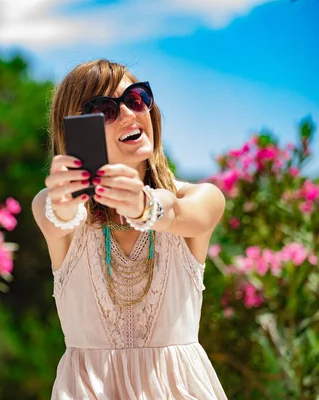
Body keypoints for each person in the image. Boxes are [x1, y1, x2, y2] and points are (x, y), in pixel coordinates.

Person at [31, 59, 228, 400]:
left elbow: (178, 212)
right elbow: (55, 217)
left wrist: (143, 206)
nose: (128, 114)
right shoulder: (54, 205)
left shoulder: (201, 197)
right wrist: (68, 199)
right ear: (78, 130)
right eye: (105, 110)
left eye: (136, 99)